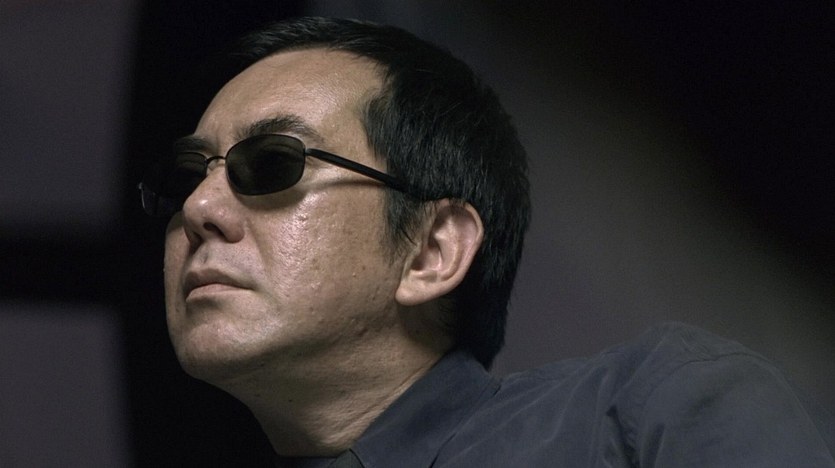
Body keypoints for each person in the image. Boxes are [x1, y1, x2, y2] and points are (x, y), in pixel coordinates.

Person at [139, 16, 835, 467]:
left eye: (271, 164)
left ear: (432, 251)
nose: (199, 207)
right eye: (187, 178)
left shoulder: (646, 416)